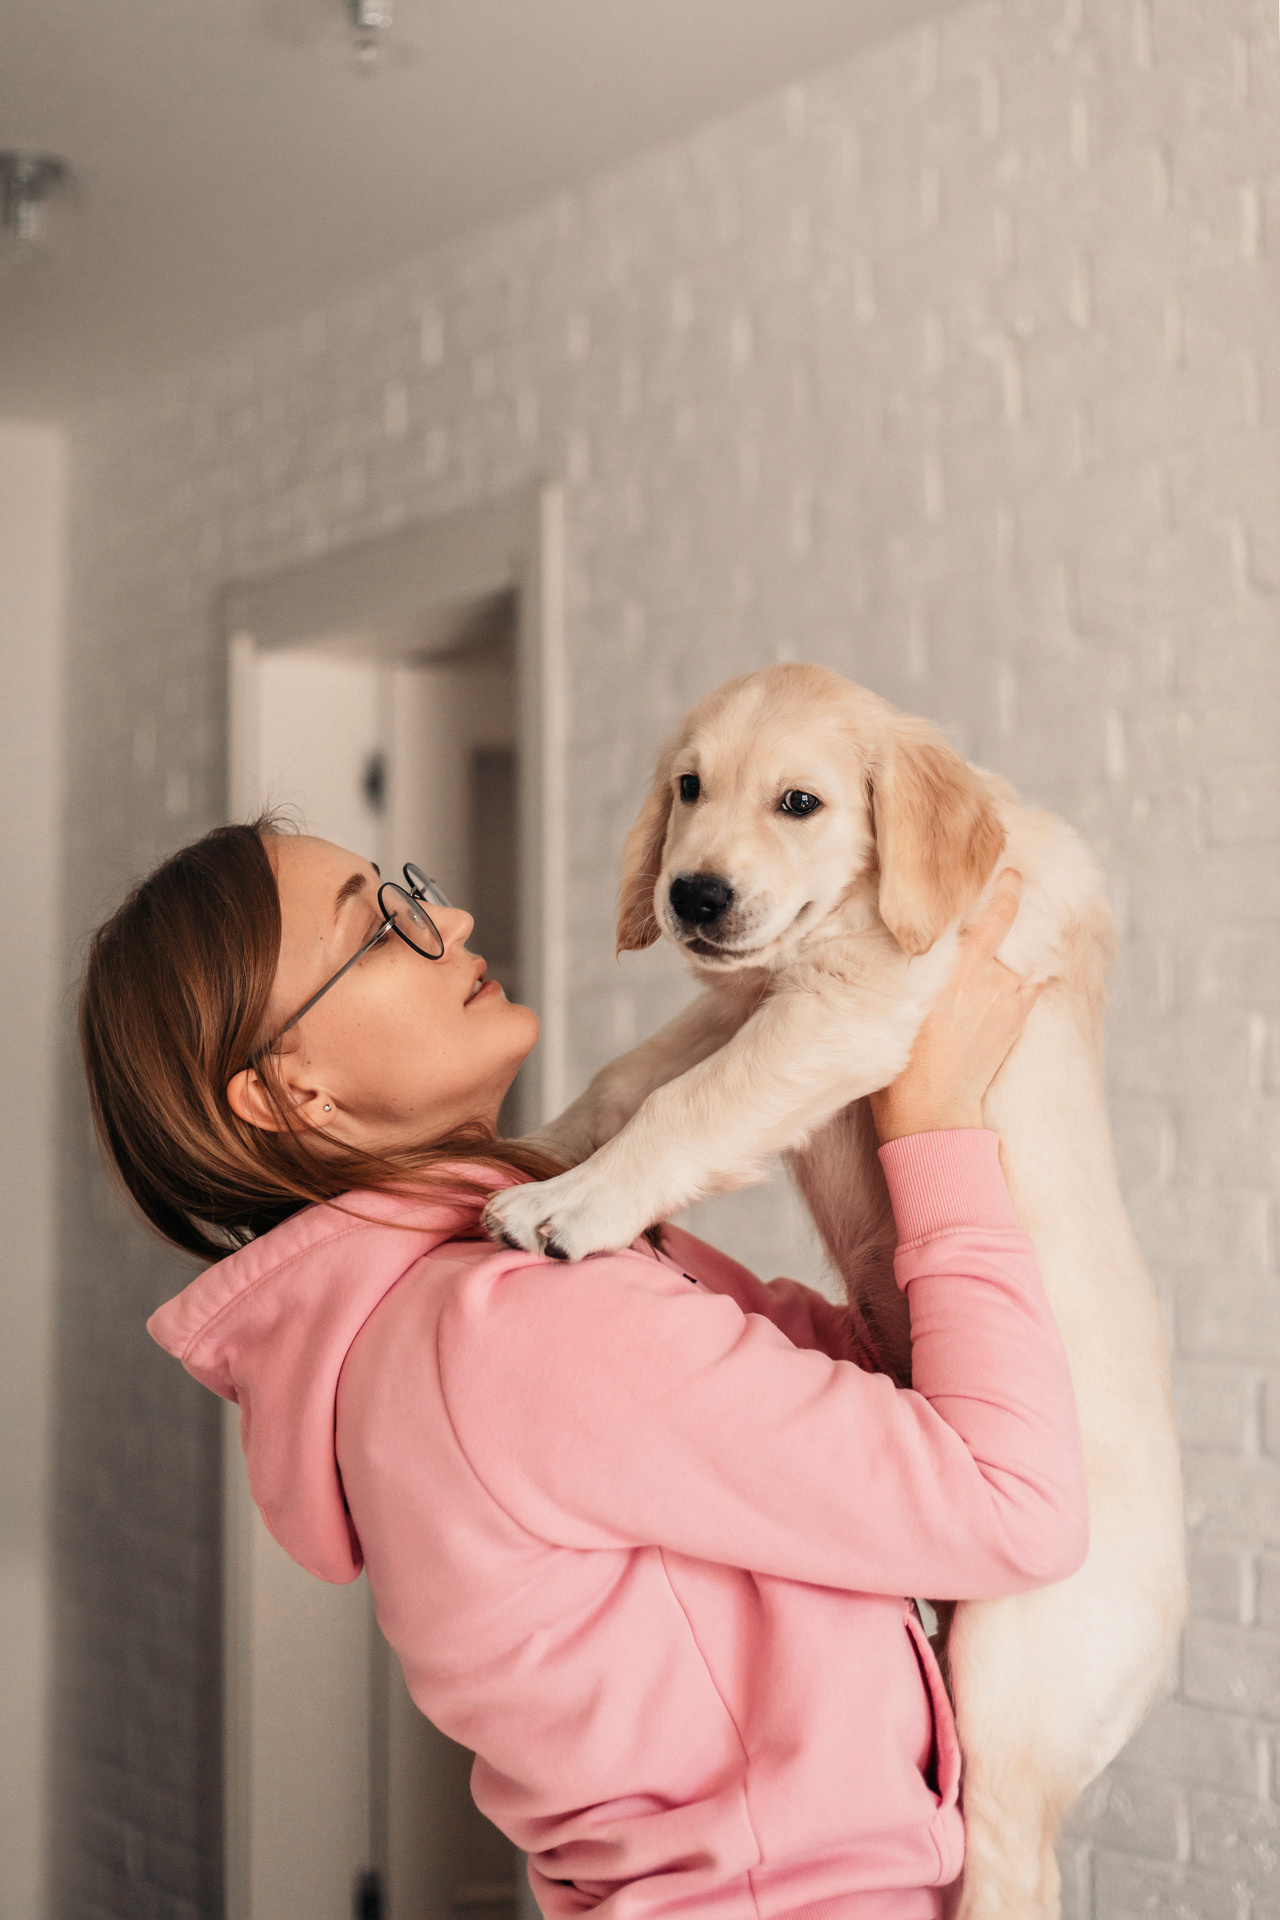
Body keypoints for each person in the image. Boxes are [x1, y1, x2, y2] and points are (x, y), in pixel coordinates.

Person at [80, 818, 1087, 1920]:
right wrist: (932, 1119)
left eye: (407, 888)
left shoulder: (466, 1301)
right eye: (378, 929)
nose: (449, 919)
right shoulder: (505, 1331)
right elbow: (1012, 1506)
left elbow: (877, 1381)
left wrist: (837, 1053)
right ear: (292, 1092)